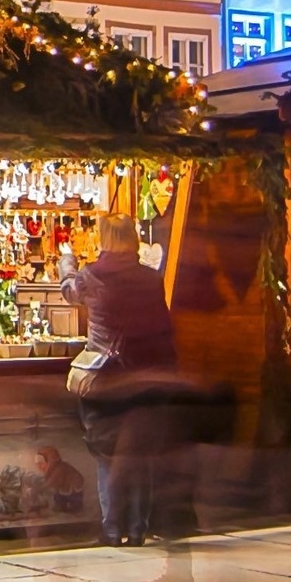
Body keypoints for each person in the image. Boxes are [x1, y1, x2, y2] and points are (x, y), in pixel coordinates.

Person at [61, 214, 183, 546]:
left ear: (104, 238)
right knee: (139, 455)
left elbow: (68, 292)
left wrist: (66, 260)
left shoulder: (91, 276)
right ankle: (138, 528)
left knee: (106, 454)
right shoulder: (149, 278)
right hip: (143, 377)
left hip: (104, 378)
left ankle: (112, 528)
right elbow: (163, 327)